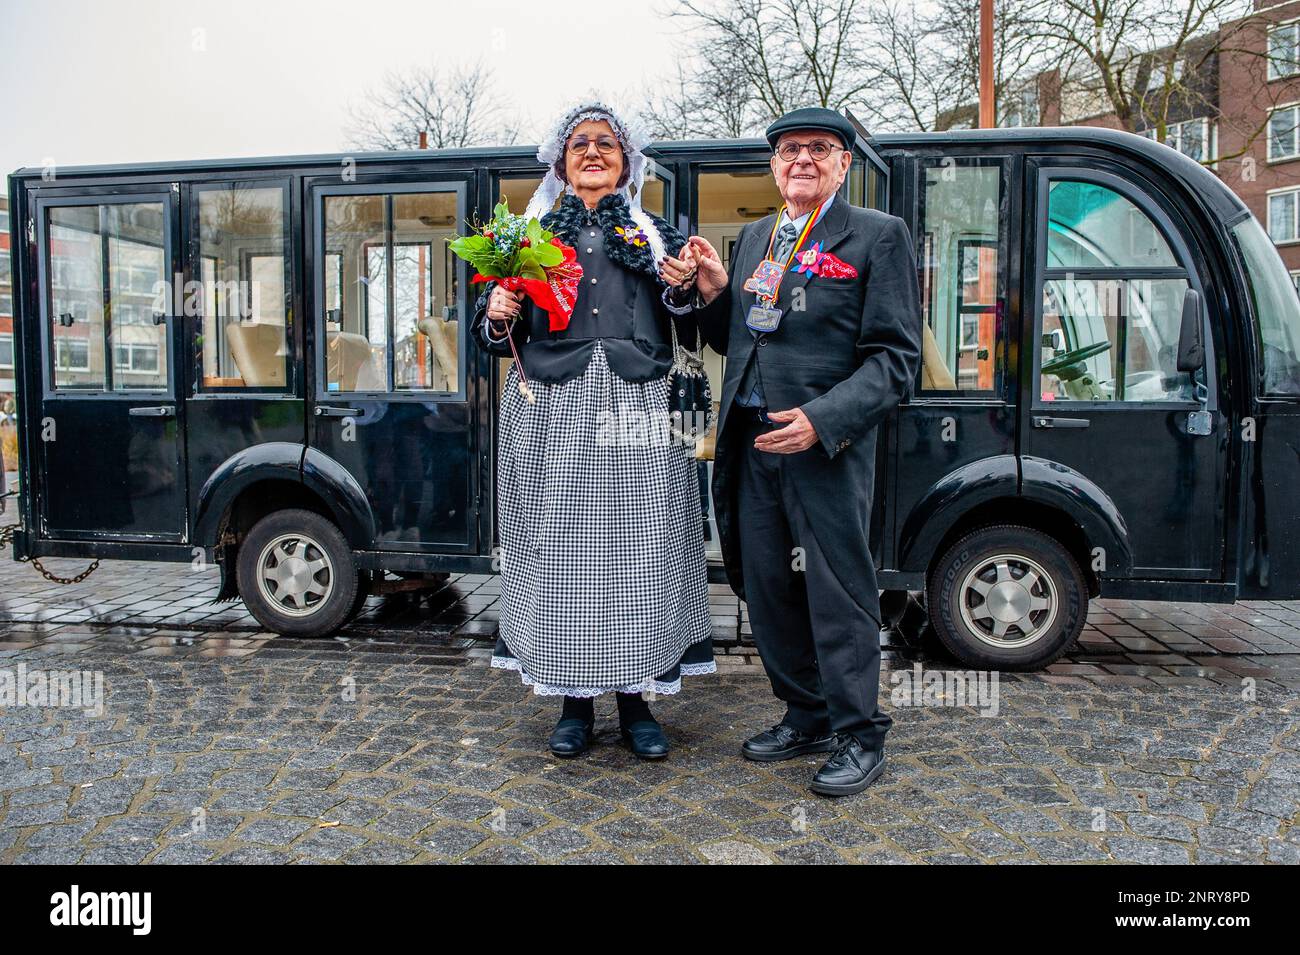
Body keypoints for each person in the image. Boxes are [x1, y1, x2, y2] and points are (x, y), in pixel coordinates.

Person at [688, 107, 922, 796]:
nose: (803, 159)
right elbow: (741, 336)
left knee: (839, 591)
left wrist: (822, 420)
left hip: (826, 448)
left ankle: (859, 735)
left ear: (844, 163)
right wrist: (711, 295)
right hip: (753, 440)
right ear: (774, 165)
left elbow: (895, 361)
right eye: (790, 149)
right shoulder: (760, 236)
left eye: (820, 148)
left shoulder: (878, 237)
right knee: (762, 583)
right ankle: (806, 712)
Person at [471, 102, 713, 760]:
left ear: (626, 159)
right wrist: (497, 310)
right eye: (580, 143)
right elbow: (492, 337)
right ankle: (575, 702)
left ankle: (636, 701)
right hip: (554, 407)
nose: (593, 151)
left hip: (639, 404)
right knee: (566, 554)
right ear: (561, 159)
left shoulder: (658, 232)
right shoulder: (527, 237)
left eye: (606, 143)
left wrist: (684, 289)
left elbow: (690, 324)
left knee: (638, 553)